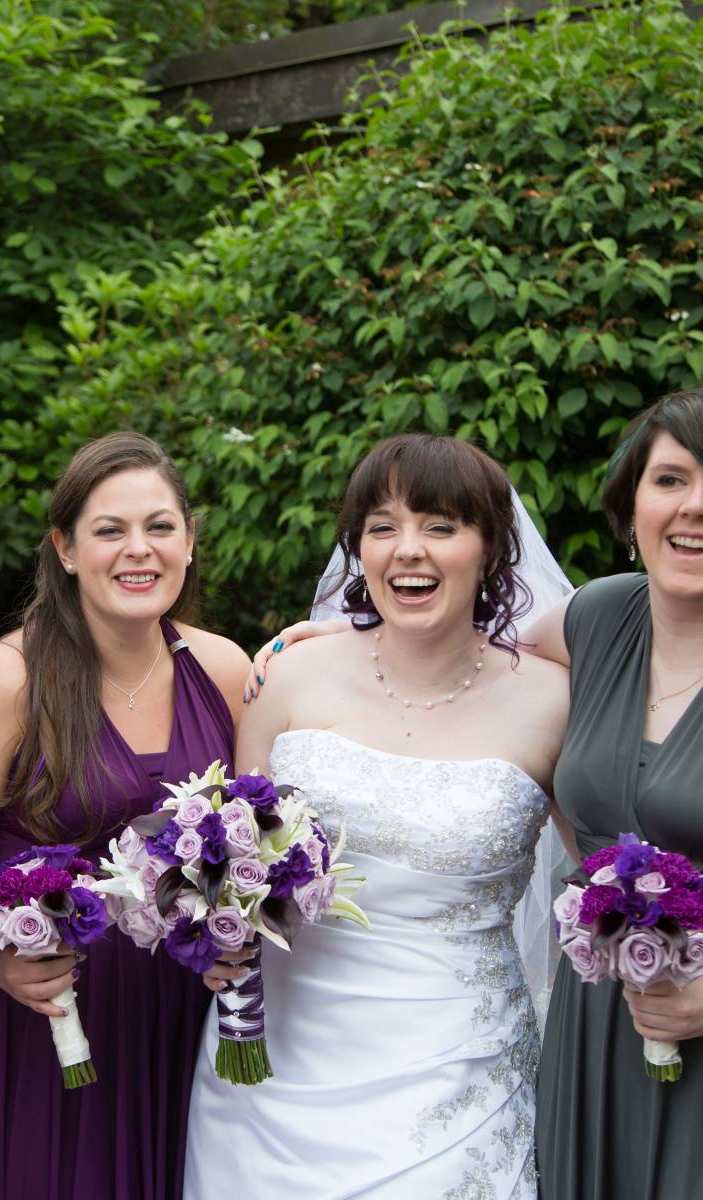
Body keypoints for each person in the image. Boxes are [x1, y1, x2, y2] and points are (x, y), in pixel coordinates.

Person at [256, 389, 703, 1199]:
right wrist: (345, 637)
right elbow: (458, 653)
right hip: (605, 1039)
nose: (693, 507)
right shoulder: (598, 621)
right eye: (670, 480)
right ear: (633, 507)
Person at [183, 433, 568, 1198]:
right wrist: (213, 937)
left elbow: (599, 878)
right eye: (382, 527)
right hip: (274, 1071)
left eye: (440, 526)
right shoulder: (289, 676)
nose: (407, 550)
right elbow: (233, 857)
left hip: (461, 1070)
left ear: (492, 548)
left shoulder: (555, 701)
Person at [0, 432, 250, 1200]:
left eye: (160, 527)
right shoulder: (6, 683)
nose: (139, 550)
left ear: (190, 542)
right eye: (109, 530)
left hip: (173, 1022)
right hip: (31, 1024)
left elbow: (252, 848)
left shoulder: (226, 670)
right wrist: (1, 963)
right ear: (65, 549)